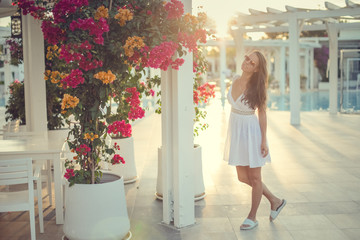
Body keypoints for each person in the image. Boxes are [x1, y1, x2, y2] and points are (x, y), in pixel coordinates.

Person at [223, 50, 286, 230]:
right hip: (236, 131)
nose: (247, 61)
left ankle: (252, 217)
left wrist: (263, 140)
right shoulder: (235, 79)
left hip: (251, 132)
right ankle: (275, 200)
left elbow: (262, 113)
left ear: (257, 69)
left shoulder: (257, 87)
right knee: (242, 177)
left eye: (251, 62)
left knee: (256, 178)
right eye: (247, 58)